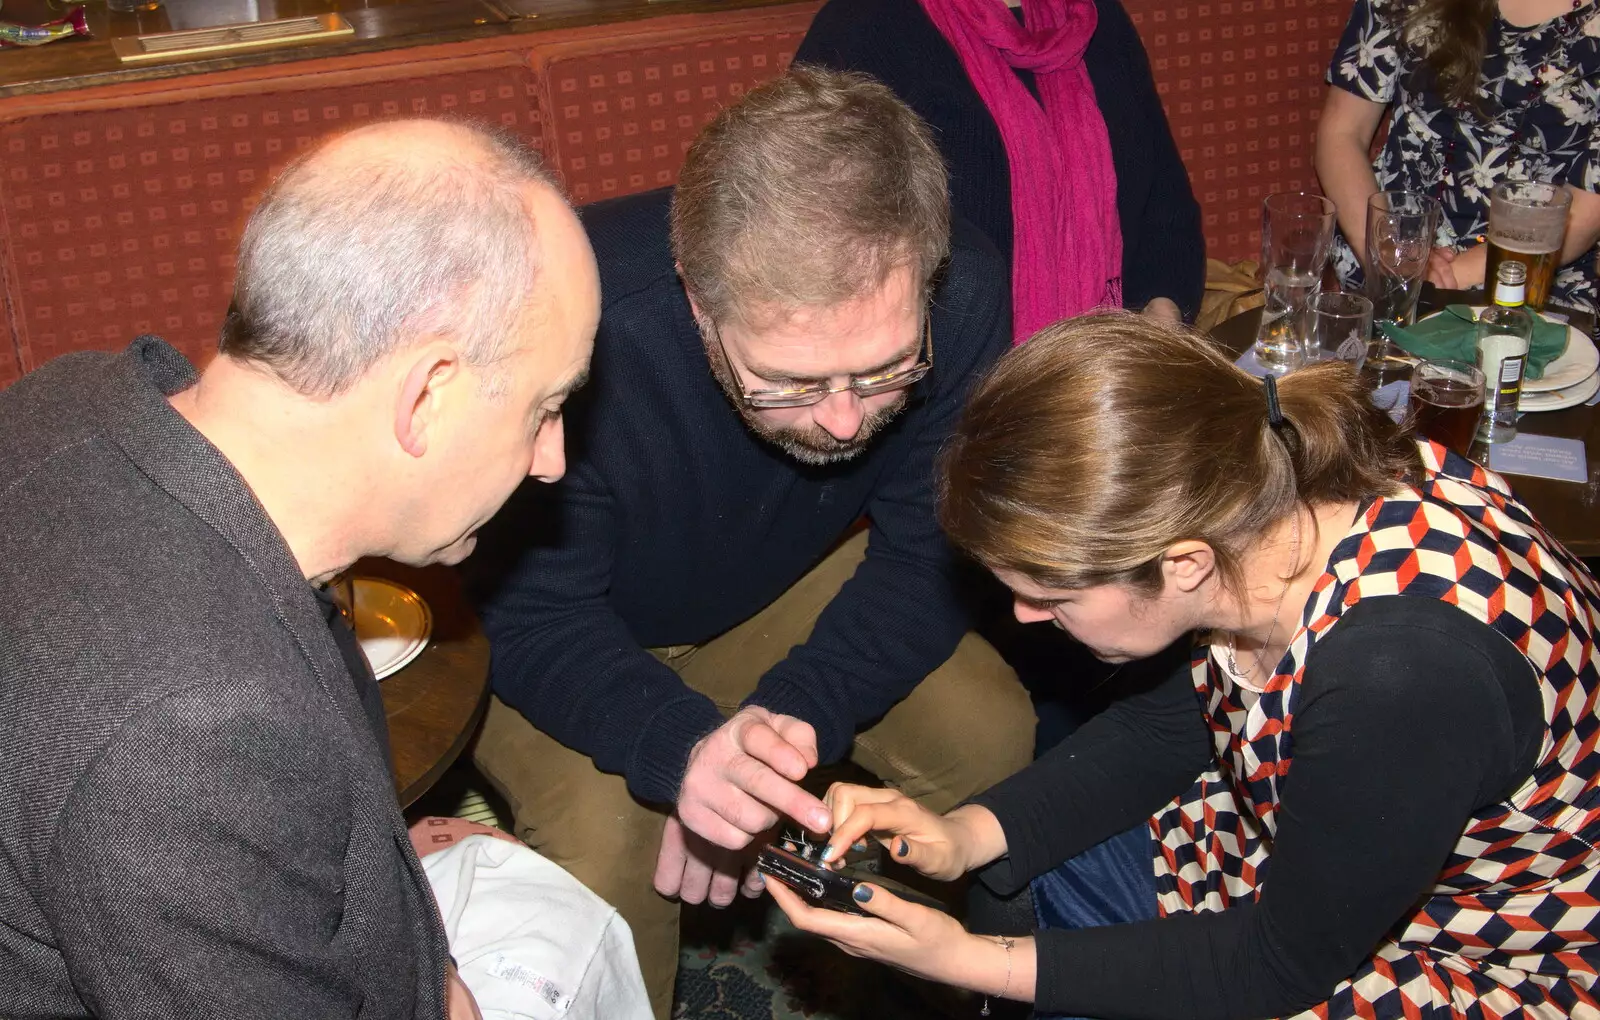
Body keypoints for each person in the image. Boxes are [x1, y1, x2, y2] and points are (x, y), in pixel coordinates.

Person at [769, 311, 1600, 1018]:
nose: (1026, 617)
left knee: (1025, 937)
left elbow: (1283, 961)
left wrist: (966, 960)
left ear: (1183, 564)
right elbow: (1178, 722)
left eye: (1051, 598)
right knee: (1013, 867)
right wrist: (961, 834)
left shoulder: (1398, 673)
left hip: (1489, 947)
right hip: (1331, 829)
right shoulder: (1263, 507)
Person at [467, 66, 1036, 1017]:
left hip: (765, 589)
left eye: (888, 369)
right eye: (790, 382)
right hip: (554, 628)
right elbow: (527, 611)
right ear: (697, 300)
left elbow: (922, 554)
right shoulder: (566, 325)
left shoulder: (963, 291)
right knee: (618, 845)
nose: (849, 423)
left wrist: (789, 726)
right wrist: (683, 750)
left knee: (991, 734)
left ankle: (950, 986)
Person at [0, 118, 600, 1018]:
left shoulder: (83, 396)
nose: (551, 458)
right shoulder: (187, 738)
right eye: (544, 405)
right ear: (427, 394)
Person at [794, 0, 1206, 339]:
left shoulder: (1097, 17)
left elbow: (1165, 203)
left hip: (1109, 375)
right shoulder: (861, 27)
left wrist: (1162, 318)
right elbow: (819, 246)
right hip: (946, 403)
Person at [1318, 0, 1600, 311]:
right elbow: (1343, 133)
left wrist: (1447, 277)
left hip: (1534, 281)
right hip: (1387, 253)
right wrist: (1389, 257)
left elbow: (1586, 213)